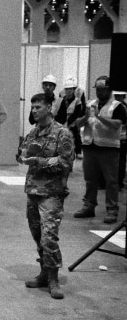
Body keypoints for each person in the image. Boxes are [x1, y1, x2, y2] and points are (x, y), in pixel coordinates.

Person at [18, 92, 74, 300]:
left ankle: (53, 278)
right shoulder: (33, 133)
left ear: (49, 108)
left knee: (49, 236)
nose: (34, 111)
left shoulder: (62, 133)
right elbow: (23, 152)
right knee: (37, 235)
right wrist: (24, 156)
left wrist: (41, 162)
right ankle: (43, 272)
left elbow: (66, 162)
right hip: (33, 191)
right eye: (32, 107)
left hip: (52, 193)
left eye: (38, 107)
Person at [72, 76, 127, 224]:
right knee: (90, 179)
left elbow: (117, 125)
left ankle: (112, 210)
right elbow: (77, 123)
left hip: (109, 149)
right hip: (90, 147)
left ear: (109, 90)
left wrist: (98, 117)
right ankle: (89, 206)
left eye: (103, 90)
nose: (100, 92)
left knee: (111, 181)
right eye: (98, 90)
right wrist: (86, 117)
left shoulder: (117, 106)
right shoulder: (89, 104)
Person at [55, 76, 86, 157]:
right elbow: (58, 112)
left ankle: (78, 151)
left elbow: (77, 113)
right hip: (61, 122)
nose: (68, 91)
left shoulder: (77, 101)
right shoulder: (61, 100)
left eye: (70, 89)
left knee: (76, 135)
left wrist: (68, 123)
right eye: (67, 89)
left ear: (73, 90)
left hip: (72, 122)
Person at [114, 90, 127, 189]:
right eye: (116, 96)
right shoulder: (111, 107)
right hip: (112, 138)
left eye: (120, 96)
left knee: (121, 161)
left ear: (123, 97)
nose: (117, 98)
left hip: (122, 138)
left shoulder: (124, 107)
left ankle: (119, 182)